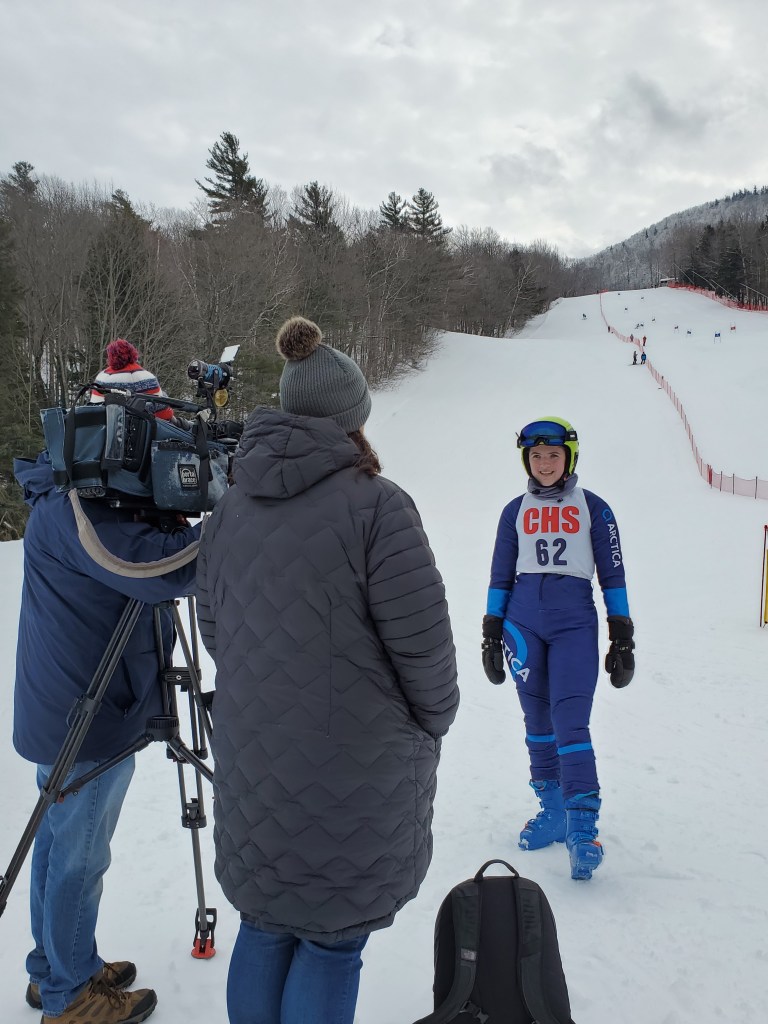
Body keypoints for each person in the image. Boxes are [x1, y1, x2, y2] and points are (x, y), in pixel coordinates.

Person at [196, 315, 459, 1024]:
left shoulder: (228, 514)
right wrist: (432, 722)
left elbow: (215, 630)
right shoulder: (378, 509)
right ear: (352, 420)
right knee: (332, 943)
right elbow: (424, 650)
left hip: (255, 761)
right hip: (355, 768)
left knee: (265, 922)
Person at [13, 450, 201, 1023]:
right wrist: (230, 522)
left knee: (58, 839)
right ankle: (70, 997)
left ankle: (54, 968)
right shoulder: (85, 511)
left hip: (67, 706)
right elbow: (168, 571)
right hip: (88, 714)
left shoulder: (69, 492)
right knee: (79, 853)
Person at [481, 417, 634, 881]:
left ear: (569, 457)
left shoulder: (595, 508)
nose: (544, 464)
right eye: (535, 456)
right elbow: (500, 573)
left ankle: (583, 827)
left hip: (573, 625)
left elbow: (613, 574)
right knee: (536, 722)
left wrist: (622, 632)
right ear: (526, 459)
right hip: (522, 626)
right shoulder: (514, 510)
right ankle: (553, 810)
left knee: (570, 720)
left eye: (553, 455)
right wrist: (490, 629)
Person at [90, 338, 174, 421]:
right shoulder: (146, 378)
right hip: (140, 431)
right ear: (133, 353)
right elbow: (163, 415)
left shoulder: (101, 377)